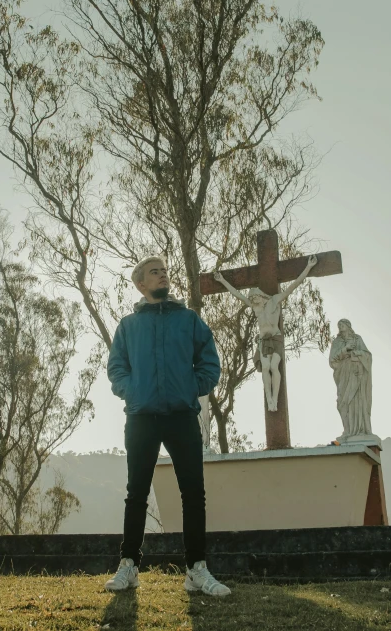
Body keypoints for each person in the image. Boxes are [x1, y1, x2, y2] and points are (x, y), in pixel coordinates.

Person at [105, 255, 231, 597]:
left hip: (181, 416)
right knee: (137, 494)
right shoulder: (128, 326)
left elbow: (209, 361)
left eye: (164, 271)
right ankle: (129, 566)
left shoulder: (189, 320)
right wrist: (131, 392)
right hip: (141, 417)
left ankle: (196, 571)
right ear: (140, 284)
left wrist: (193, 387)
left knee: (193, 493)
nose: (162, 276)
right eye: (154, 272)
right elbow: (116, 368)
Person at [214, 255, 317, 411]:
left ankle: (275, 398)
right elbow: (237, 294)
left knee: (274, 366)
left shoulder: (274, 301)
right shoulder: (257, 308)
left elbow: (293, 285)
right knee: (266, 366)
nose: (253, 301)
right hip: (263, 341)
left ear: (260, 296)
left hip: (275, 339)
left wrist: (308, 267)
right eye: (252, 299)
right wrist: (222, 280)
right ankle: (269, 398)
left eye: (255, 298)